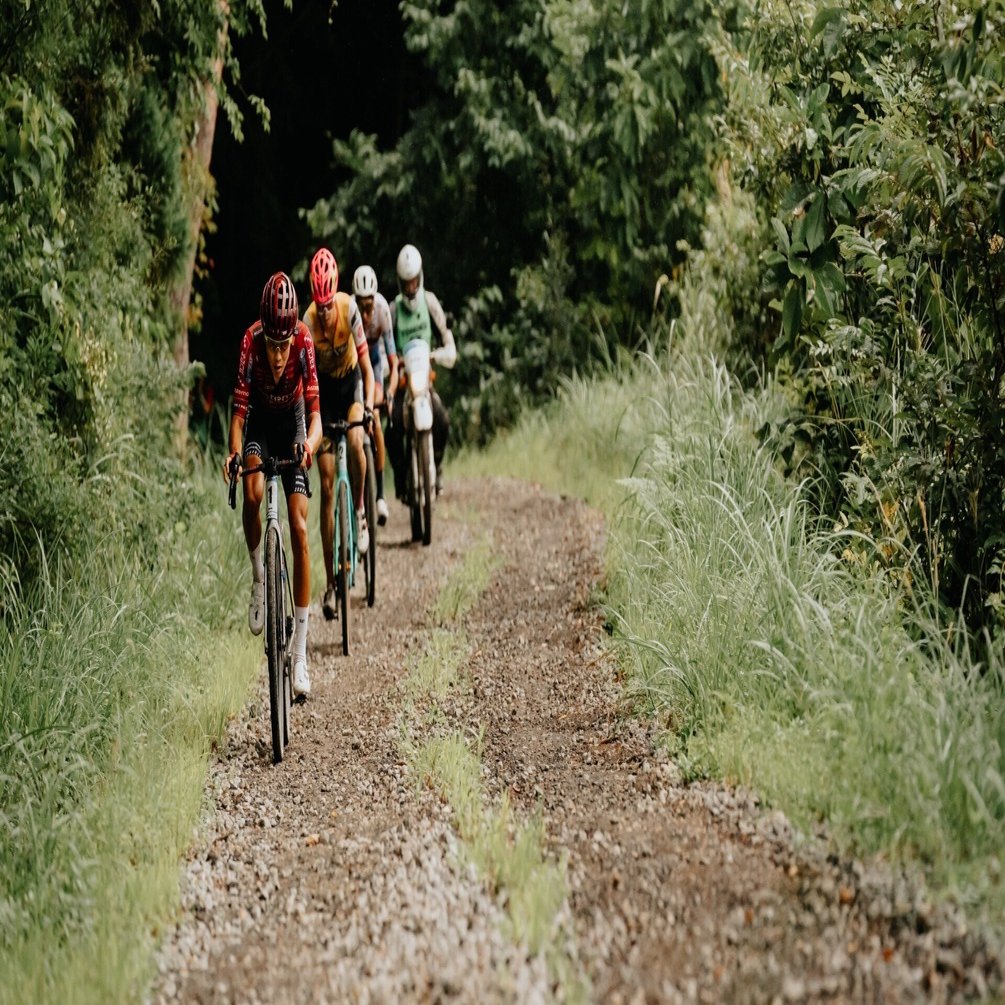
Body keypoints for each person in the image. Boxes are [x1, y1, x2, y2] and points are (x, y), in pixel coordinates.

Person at [222, 271, 322, 699]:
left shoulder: (303, 341)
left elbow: (316, 413)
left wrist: (310, 447)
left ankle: (299, 653)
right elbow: (240, 414)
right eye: (273, 346)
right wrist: (232, 454)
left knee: (299, 529)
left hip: (295, 425)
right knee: (253, 491)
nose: (279, 355)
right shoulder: (250, 341)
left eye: (284, 346)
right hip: (262, 424)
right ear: (263, 332)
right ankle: (260, 576)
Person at [302, 247, 375, 621]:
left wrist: (372, 409)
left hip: (351, 388)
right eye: (321, 304)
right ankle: (331, 584)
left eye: (329, 303)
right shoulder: (307, 323)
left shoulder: (349, 309)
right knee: (327, 486)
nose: (327, 311)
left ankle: (361, 510)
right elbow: (305, 387)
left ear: (336, 294)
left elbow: (366, 365)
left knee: (359, 441)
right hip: (325, 397)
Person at [386, 243, 456, 499]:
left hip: (425, 385)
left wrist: (439, 354)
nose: (411, 288)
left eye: (414, 282)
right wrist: (391, 364)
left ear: (420, 278)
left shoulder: (430, 303)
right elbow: (384, 347)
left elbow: (448, 340)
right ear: (400, 282)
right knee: (391, 430)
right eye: (407, 283)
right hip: (404, 385)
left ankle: (436, 468)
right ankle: (401, 480)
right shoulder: (392, 311)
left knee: (443, 421)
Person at [351, 264, 397, 526]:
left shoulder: (382, 311)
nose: (366, 315)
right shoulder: (350, 311)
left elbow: (393, 360)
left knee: (375, 417)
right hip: (356, 363)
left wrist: (389, 393)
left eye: (369, 307)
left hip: (376, 363)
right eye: (362, 307)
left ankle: (379, 494)